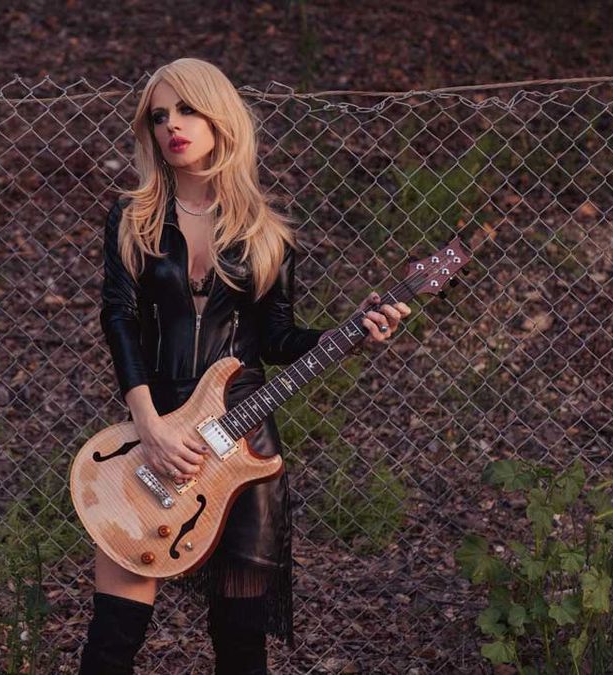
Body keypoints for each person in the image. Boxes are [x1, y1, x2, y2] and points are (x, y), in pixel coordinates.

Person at [80, 57, 410, 675]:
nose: (173, 126)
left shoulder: (266, 234)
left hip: (242, 447)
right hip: (152, 438)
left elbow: (277, 338)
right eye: (159, 116)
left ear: (220, 118)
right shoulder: (133, 219)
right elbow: (118, 319)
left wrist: (355, 331)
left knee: (239, 647)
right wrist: (150, 426)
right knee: (112, 640)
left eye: (188, 110)